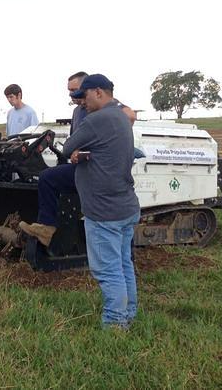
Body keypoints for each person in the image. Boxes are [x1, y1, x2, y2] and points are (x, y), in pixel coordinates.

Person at [60, 74, 140, 328]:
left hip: (103, 211)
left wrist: (77, 153)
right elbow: (108, 152)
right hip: (125, 204)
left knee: (108, 270)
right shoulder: (121, 117)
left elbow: (67, 147)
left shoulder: (98, 119)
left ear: (97, 92)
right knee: (123, 263)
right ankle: (129, 313)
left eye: (84, 96)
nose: (82, 102)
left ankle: (115, 324)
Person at [22, 72, 136, 246]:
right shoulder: (78, 111)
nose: (75, 96)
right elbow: (75, 142)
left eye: (78, 91)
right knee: (48, 176)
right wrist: (77, 150)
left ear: (93, 91)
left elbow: (129, 116)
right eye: (70, 92)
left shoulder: (107, 110)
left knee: (48, 178)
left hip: (97, 174)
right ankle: (47, 225)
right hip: (89, 170)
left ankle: (48, 227)